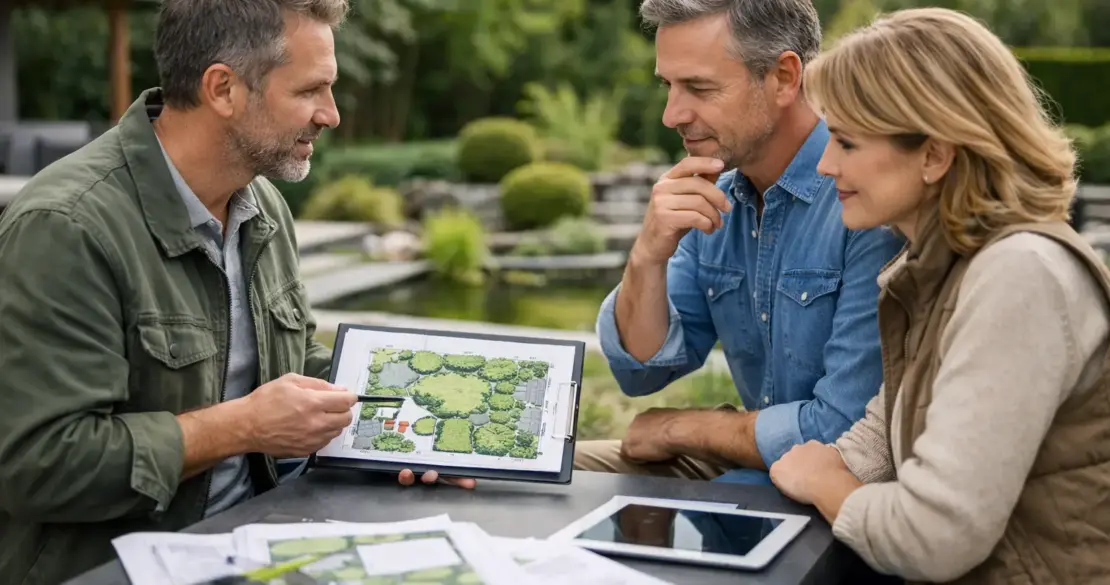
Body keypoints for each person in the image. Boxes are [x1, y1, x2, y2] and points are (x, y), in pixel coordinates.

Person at [0, 2, 465, 583]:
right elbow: (38, 465)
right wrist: (241, 426)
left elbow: (292, 365)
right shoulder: (67, 227)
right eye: (310, 90)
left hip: (268, 540)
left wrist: (413, 436)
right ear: (223, 89)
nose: (332, 115)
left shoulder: (261, 203)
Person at [767, 8, 1110, 584]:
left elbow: (935, 536)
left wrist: (828, 485)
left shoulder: (1019, 275)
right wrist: (819, 470)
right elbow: (873, 444)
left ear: (934, 154)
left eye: (846, 143)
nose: (825, 165)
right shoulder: (940, 268)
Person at [575, 0, 905, 483]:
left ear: (784, 77)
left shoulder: (864, 202)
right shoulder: (717, 198)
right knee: (524, 473)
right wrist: (647, 256)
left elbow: (843, 432)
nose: (672, 115)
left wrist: (683, 427)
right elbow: (641, 372)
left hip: (842, 490)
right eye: (668, 85)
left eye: (700, 88)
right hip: (751, 465)